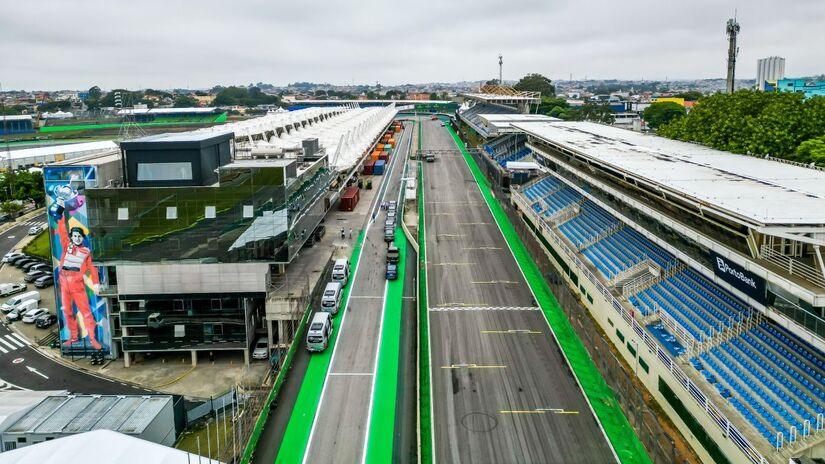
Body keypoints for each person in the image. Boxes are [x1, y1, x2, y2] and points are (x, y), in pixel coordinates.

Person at [53, 197, 102, 350]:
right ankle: (73, 336)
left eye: (79, 236)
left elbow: (93, 268)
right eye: (74, 236)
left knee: (86, 312)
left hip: (77, 285)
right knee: (67, 311)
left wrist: (96, 283)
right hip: (64, 282)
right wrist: (60, 210)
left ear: (82, 238)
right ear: (72, 237)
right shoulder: (66, 245)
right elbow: (62, 228)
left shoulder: (86, 252)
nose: (76, 238)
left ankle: (92, 338)